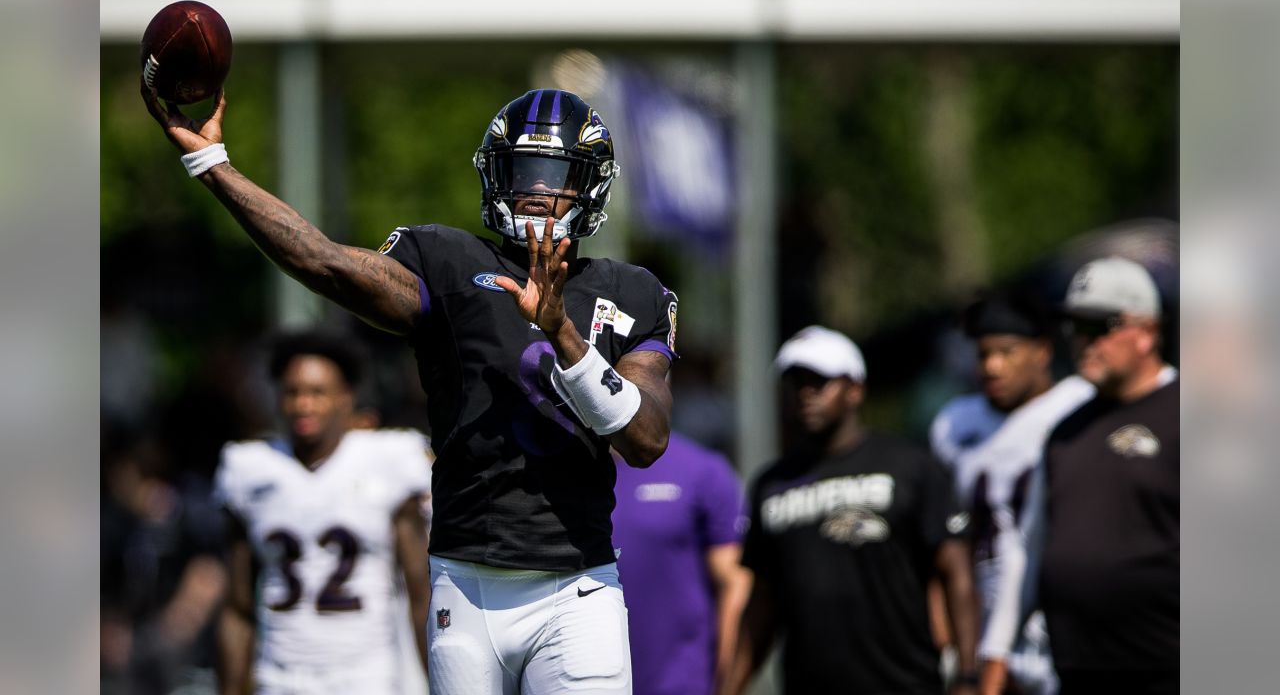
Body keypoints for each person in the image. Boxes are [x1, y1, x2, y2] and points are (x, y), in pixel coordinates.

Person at [144, 83, 678, 695]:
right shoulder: (448, 261)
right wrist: (213, 166)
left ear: (591, 186)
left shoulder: (632, 292)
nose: (536, 190)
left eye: (554, 174)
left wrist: (563, 335)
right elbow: (324, 262)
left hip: (578, 588)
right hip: (466, 582)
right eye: (522, 171)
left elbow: (645, 438)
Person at [724, 326, 980, 695]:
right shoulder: (771, 483)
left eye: (819, 382)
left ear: (855, 390)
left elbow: (956, 572)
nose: (805, 394)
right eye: (796, 383)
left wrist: (968, 675)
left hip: (904, 684)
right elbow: (763, 601)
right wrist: (731, 687)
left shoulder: (909, 467)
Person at [213, 331, 432, 694]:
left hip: (365, 675)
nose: (303, 405)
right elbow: (237, 606)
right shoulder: (250, 468)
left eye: (317, 393)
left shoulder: (387, 460)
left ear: (346, 399)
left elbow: (420, 593)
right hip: (280, 675)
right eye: (293, 392)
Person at [1022, 257, 1178, 695]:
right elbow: (1030, 551)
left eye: (1100, 326)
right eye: (1076, 327)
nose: (1085, 341)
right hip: (1080, 673)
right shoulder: (1064, 433)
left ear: (1147, 331)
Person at [929, 293, 1094, 695]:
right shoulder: (954, 424)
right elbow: (942, 548)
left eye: (1007, 352)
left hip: (1060, 626)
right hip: (984, 628)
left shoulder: (1077, 407)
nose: (992, 366)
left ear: (1041, 352)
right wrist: (951, 647)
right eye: (984, 354)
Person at [611, 431, 749, 695]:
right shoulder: (567, 472)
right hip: (587, 681)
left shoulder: (702, 469)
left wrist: (728, 686)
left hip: (682, 684)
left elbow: (735, 584)